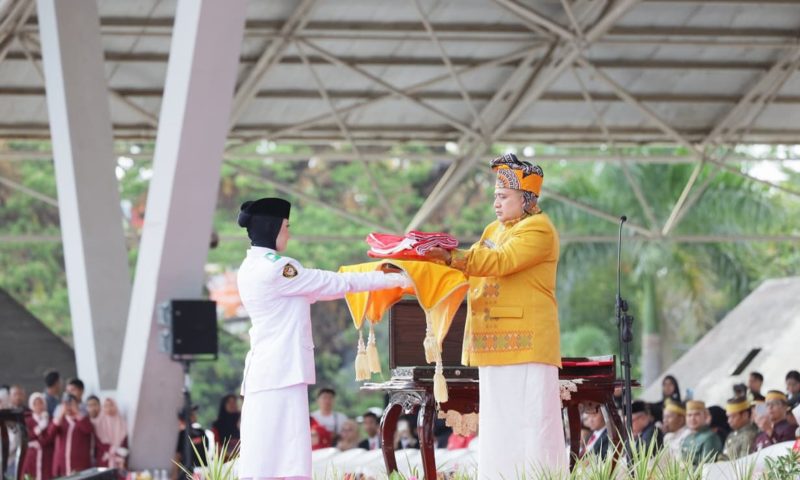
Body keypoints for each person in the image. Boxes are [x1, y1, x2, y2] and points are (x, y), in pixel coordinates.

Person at [235, 197, 412, 480]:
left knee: (266, 459)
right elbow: (335, 284)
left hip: (267, 373)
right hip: (282, 372)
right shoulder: (277, 268)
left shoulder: (250, 267)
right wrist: (393, 280)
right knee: (288, 460)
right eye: (286, 226)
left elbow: (320, 289)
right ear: (272, 228)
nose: (289, 232)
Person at [421, 153, 565, 477]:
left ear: (526, 200)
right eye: (495, 197)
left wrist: (450, 257)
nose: (496, 204)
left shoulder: (538, 229)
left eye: (503, 197)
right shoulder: (493, 229)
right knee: (499, 429)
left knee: (532, 428)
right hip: (492, 344)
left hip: (526, 344)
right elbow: (473, 267)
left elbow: (497, 262)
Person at [49, 393, 94, 476]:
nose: (68, 407)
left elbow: (88, 430)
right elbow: (51, 434)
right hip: (62, 464)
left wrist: (77, 412)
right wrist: (61, 414)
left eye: (71, 404)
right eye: (66, 404)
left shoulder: (83, 419)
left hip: (79, 465)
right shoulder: (60, 420)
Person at [21, 393, 54, 480]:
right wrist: (39, 428)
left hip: (47, 455)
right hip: (32, 455)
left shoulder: (49, 419)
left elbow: (51, 436)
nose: (39, 406)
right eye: (36, 404)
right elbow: (27, 436)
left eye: (41, 403)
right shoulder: (27, 420)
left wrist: (38, 443)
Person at [681, 400, 722, 466]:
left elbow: (707, 466)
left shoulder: (710, 437)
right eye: (689, 415)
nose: (692, 418)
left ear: (705, 416)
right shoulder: (687, 438)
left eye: (697, 414)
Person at [171, 405, 206, 480]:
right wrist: (175, 474)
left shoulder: (201, 432)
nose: (194, 416)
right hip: (186, 471)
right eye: (191, 414)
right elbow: (178, 455)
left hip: (200, 470)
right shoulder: (183, 434)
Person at [93, 398, 128, 469]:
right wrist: (115, 449)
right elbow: (98, 442)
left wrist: (119, 452)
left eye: (111, 405)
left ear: (115, 406)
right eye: (106, 406)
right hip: (104, 458)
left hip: (118, 460)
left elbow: (124, 441)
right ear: (103, 408)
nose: (109, 408)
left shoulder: (121, 422)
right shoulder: (99, 423)